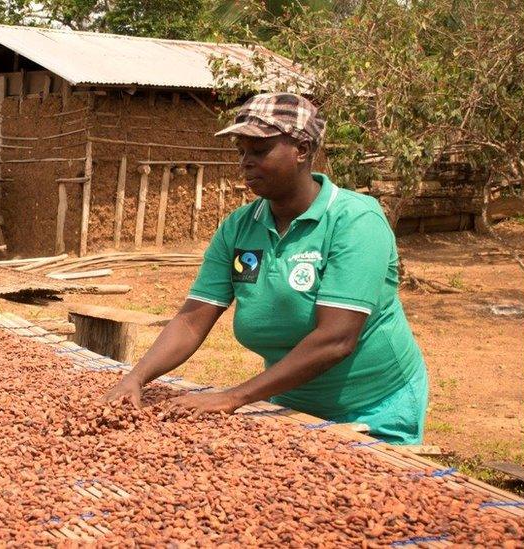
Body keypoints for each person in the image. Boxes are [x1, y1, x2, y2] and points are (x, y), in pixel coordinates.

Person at [101, 92, 429, 445]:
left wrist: (233, 397)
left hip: (373, 407)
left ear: (301, 150)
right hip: (291, 401)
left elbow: (336, 339)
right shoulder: (239, 228)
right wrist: (136, 378)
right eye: (241, 151)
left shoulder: (355, 221)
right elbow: (191, 320)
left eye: (259, 151)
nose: (245, 162)